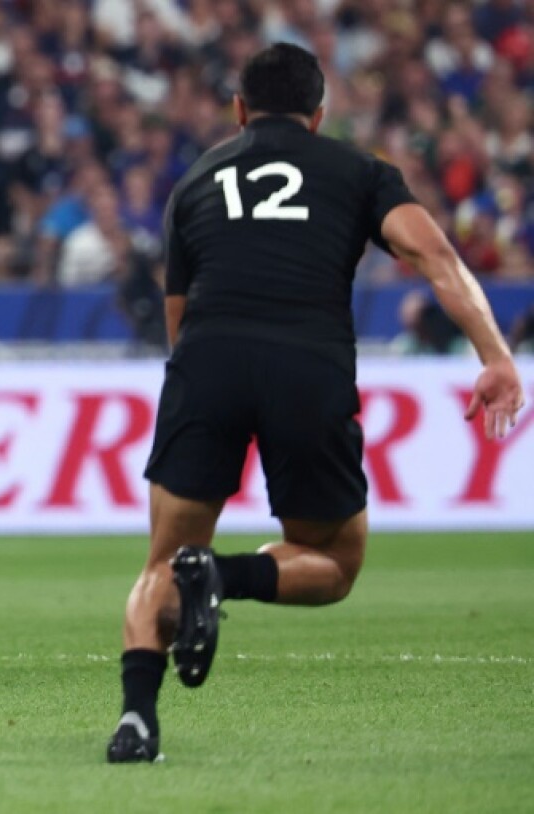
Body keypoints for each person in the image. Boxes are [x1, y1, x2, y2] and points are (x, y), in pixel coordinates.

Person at [107, 44, 526, 764]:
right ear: (319, 115)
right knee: (336, 560)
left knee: (161, 562)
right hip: (309, 364)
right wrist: (494, 356)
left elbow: (178, 322)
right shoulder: (360, 171)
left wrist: (198, 388)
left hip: (208, 362)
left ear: (239, 111)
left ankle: (137, 720)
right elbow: (436, 258)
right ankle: (224, 575)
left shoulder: (197, 181)